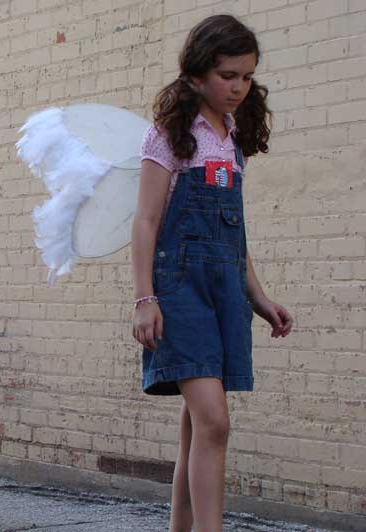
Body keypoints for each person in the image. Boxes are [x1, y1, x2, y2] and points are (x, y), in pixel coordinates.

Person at [130, 15, 293, 532]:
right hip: (179, 293)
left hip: (225, 293)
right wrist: (144, 299)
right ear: (197, 75)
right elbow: (147, 220)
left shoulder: (234, 140)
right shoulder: (171, 136)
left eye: (246, 76)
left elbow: (233, 235)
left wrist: (259, 298)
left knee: (195, 429)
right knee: (215, 423)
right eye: (227, 75)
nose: (238, 87)